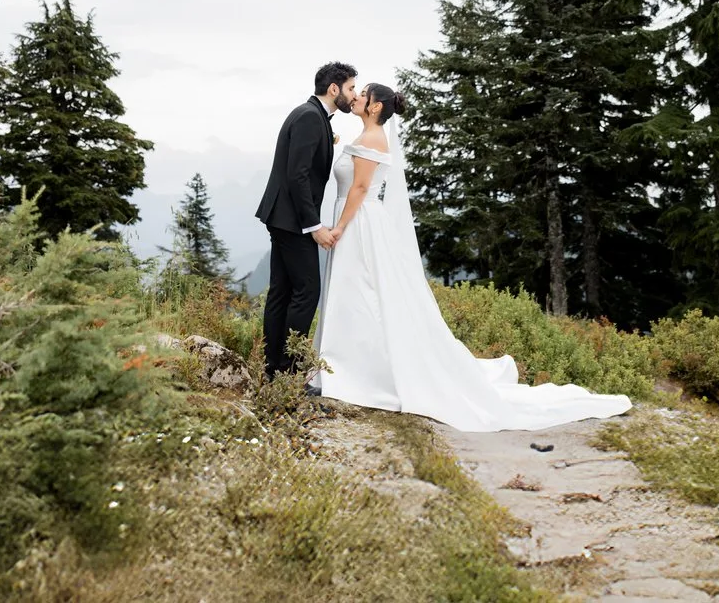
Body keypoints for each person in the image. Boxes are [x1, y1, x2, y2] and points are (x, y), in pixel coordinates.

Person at [309, 81, 633, 432]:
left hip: (359, 222)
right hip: (357, 219)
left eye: (362, 94)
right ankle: (345, 363)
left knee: (361, 291)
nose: (356, 97)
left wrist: (339, 227)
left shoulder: (373, 138)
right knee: (356, 292)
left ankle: (356, 370)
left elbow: (360, 188)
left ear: (375, 107)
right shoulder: (364, 135)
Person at [253, 60, 356, 381]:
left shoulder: (312, 115)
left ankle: (274, 369)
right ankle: (290, 370)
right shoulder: (310, 117)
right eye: (351, 88)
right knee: (307, 291)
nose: (354, 95)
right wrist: (314, 226)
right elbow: (296, 175)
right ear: (334, 88)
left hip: (283, 216)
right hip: (293, 220)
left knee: (282, 292)